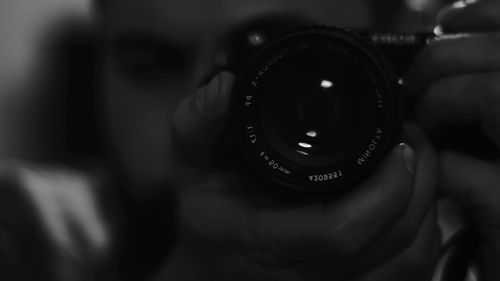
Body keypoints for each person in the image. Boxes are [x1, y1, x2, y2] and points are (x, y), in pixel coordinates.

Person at [0, 0, 498, 280]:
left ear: (398, 63)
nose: (196, 112)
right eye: (152, 64)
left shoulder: (472, 233)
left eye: (282, 65)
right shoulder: (25, 235)